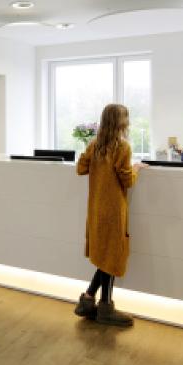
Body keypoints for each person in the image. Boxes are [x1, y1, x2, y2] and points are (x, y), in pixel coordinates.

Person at [74, 104, 147, 327]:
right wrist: (137, 168)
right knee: (112, 256)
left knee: (106, 256)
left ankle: (89, 301)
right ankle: (104, 308)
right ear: (121, 122)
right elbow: (128, 180)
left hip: (96, 210)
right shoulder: (122, 148)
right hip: (114, 211)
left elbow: (80, 168)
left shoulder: (95, 145)